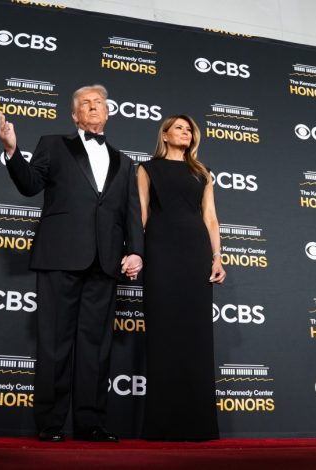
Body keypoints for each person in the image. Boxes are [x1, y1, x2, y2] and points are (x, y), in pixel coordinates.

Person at [0, 84, 144, 442]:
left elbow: (131, 212)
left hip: (105, 262)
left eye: (99, 103)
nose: (93, 107)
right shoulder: (53, 144)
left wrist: (135, 250)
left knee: (96, 346)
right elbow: (31, 185)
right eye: (85, 104)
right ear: (74, 115)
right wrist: (12, 150)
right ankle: (50, 424)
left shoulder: (124, 161)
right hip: (60, 256)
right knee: (55, 342)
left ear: (108, 112)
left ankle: (91, 423)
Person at [137, 115, 226, 440]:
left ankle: (199, 425)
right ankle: (162, 425)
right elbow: (142, 214)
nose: (186, 133)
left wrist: (217, 257)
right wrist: (137, 251)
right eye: (179, 128)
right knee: (163, 332)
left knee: (195, 336)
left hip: (195, 253)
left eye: (189, 129)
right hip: (160, 251)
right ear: (165, 134)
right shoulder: (147, 169)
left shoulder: (202, 172)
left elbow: (211, 218)